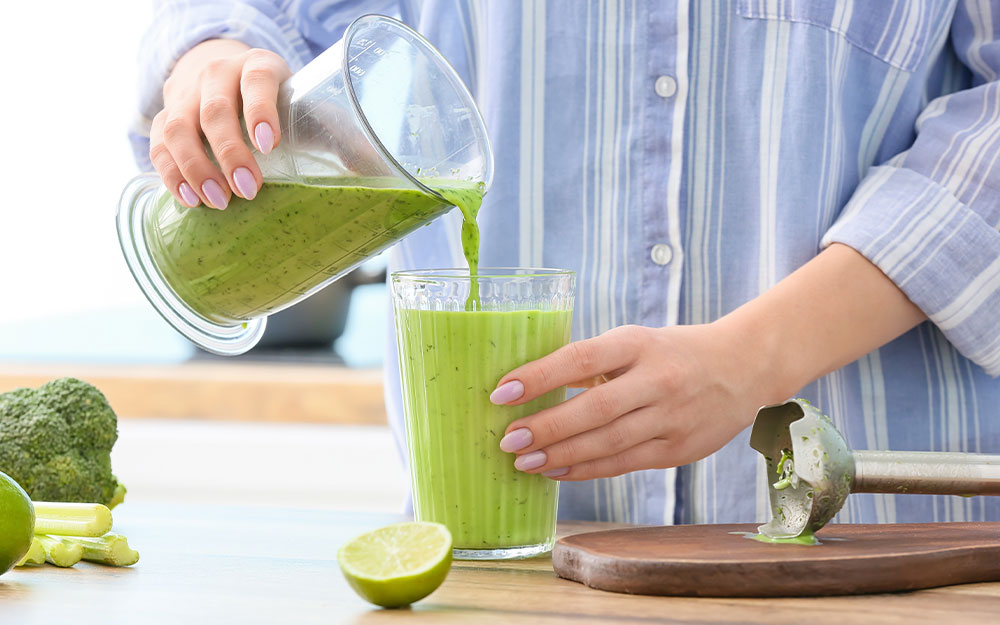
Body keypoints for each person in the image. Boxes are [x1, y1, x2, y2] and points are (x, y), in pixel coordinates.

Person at [132, 1, 999, 525]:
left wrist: (757, 357)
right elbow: (259, 17)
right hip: (507, 569)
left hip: (878, 550)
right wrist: (214, 58)